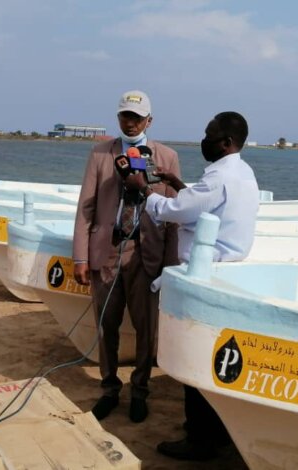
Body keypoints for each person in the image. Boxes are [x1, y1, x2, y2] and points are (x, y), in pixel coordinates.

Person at [124, 111, 259, 460]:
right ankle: (217, 431)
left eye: (209, 135)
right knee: (213, 359)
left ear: (226, 142)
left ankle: (199, 439)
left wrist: (144, 190)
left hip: (205, 276)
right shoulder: (242, 173)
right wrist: (178, 183)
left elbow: (174, 211)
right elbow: (206, 207)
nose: (204, 140)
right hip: (227, 274)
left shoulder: (219, 177)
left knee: (194, 356)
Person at [72, 90, 181, 423]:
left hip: (147, 254)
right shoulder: (100, 154)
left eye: (136, 117)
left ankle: (139, 391)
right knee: (106, 325)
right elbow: (86, 207)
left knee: (147, 329)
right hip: (107, 251)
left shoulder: (166, 157)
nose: (130, 123)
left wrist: (170, 266)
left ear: (149, 120)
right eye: (125, 116)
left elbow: (174, 215)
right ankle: (109, 388)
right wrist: (80, 258)